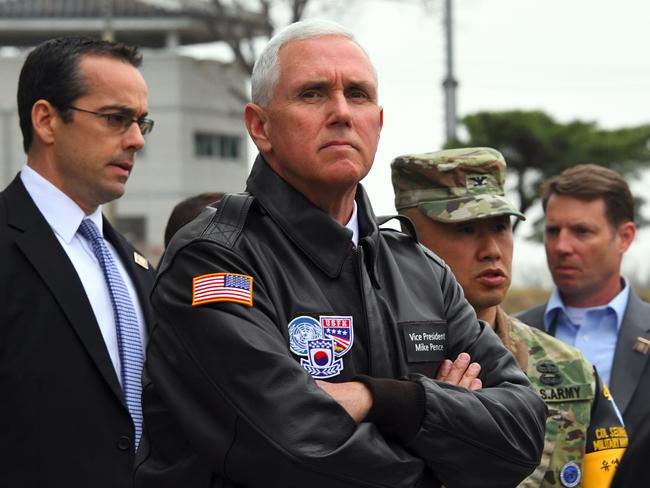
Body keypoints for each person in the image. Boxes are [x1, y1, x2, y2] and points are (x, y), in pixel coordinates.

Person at [134, 20, 546, 488]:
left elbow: (524, 433)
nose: (341, 113)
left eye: (358, 94)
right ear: (260, 126)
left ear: (379, 121)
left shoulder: (421, 270)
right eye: (312, 94)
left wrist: (387, 400)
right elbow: (295, 451)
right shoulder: (214, 259)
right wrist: (451, 443)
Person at [391, 147, 628, 487]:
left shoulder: (568, 367)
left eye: (500, 226)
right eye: (466, 229)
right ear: (406, 241)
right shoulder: (377, 362)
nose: (492, 249)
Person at [0, 37, 155, 487]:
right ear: (46, 119)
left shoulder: (134, 264)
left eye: (142, 122)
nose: (137, 140)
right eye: (115, 118)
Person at [517, 164, 650, 433]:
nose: (561, 247)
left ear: (624, 237)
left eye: (582, 231)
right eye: (553, 231)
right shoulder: (508, 335)